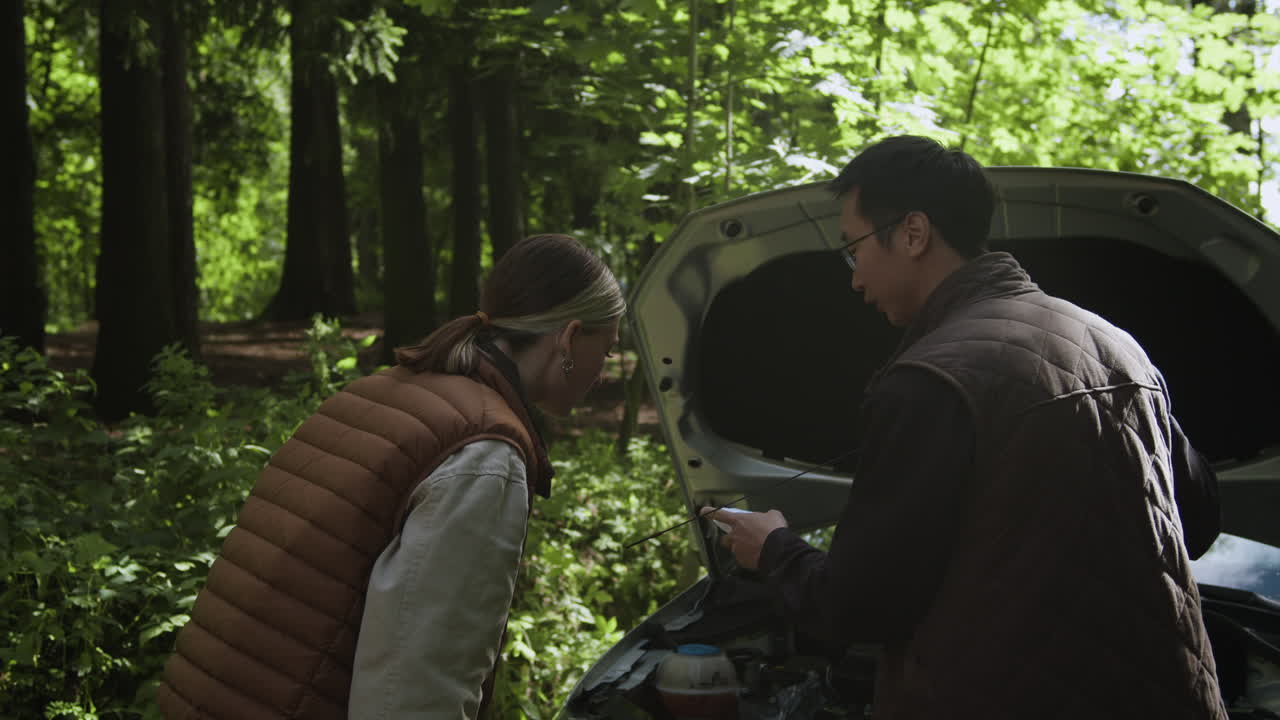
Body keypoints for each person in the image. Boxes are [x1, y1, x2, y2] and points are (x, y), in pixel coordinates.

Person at [704, 136, 1227, 719]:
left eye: (853, 249)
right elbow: (1197, 522)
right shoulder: (1114, 343)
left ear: (912, 233)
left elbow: (859, 606)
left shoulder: (932, 377)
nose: (853, 279)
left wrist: (774, 549)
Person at [158, 234, 624, 720]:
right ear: (568, 339)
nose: (603, 375)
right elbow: (414, 697)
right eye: (607, 352)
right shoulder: (485, 456)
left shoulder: (386, 392)